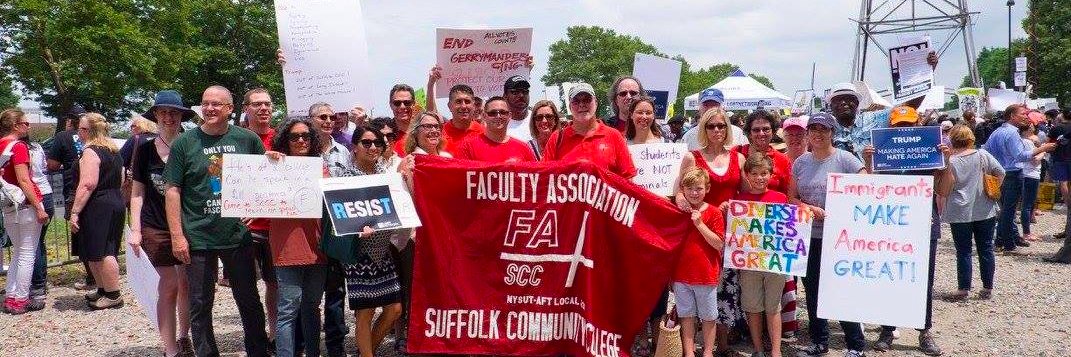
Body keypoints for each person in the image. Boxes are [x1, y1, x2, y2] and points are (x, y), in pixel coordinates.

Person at [163, 85, 270, 357]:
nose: (209, 109)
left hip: (236, 235)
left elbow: (264, 179)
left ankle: (258, 351)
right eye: (205, 103)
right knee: (200, 303)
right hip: (198, 235)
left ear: (230, 109)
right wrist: (177, 236)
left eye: (217, 104)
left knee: (248, 299)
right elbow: (172, 190)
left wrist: (256, 206)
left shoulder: (247, 139)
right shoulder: (184, 143)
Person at [862, 106, 952, 356]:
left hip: (923, 224)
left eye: (908, 125)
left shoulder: (930, 153)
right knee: (889, 277)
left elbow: (944, 191)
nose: (903, 130)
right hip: (890, 226)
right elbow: (867, 190)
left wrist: (946, 163)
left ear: (917, 126)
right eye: (898, 125)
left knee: (924, 280)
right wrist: (868, 162)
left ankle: (924, 331)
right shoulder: (881, 154)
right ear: (891, 127)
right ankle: (887, 329)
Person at [787, 112, 867, 357]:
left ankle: (855, 344)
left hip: (839, 238)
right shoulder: (800, 163)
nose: (818, 134)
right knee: (812, 290)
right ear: (808, 133)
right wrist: (808, 208)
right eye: (813, 129)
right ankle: (819, 341)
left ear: (833, 132)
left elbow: (867, 188)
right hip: (809, 236)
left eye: (824, 129)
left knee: (840, 288)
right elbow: (791, 197)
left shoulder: (846, 160)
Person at [672, 108, 745, 357]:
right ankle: (696, 349)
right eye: (711, 126)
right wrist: (684, 203)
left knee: (724, 293)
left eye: (721, 126)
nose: (717, 130)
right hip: (698, 227)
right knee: (699, 295)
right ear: (703, 128)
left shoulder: (738, 158)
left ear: (728, 129)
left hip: (729, 232)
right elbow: (679, 189)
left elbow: (747, 195)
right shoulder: (692, 157)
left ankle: (719, 347)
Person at [128, 90, 196, 357]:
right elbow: (137, 192)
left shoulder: (191, 145)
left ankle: (183, 336)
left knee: (187, 284)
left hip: (188, 225)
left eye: (174, 112)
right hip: (155, 226)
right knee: (168, 284)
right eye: (163, 112)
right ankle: (170, 348)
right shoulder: (144, 149)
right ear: (155, 115)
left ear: (181, 116)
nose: (169, 117)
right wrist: (135, 229)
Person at [336, 126, 411, 357]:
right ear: (354, 147)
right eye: (366, 143)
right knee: (365, 312)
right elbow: (339, 217)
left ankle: (365, 352)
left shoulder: (384, 175)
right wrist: (356, 230)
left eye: (377, 143)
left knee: (395, 309)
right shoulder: (346, 178)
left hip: (383, 251)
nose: (373, 147)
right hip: (359, 255)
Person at [261, 119, 328, 357]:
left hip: (318, 246)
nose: (301, 140)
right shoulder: (273, 165)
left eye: (306, 136)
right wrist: (268, 162)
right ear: (284, 140)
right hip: (287, 246)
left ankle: (313, 353)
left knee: (311, 307)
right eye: (294, 136)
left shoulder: (321, 167)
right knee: (288, 309)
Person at [305, 101, 353, 356]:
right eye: (321, 117)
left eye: (331, 117)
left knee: (335, 293)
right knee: (308, 294)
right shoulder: (301, 151)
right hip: (308, 228)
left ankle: (336, 347)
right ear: (310, 119)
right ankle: (306, 345)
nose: (327, 121)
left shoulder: (344, 152)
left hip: (336, 228)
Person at [733, 152, 789, 357]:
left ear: (771, 175)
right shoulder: (739, 201)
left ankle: (775, 351)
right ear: (747, 175)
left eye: (764, 173)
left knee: (773, 306)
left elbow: (790, 230)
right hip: (749, 263)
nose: (759, 178)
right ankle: (758, 349)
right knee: (753, 306)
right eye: (754, 173)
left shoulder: (781, 199)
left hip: (774, 262)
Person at [69, 113, 125, 310]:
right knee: (96, 248)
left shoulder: (91, 151)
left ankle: (113, 294)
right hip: (113, 199)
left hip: (98, 203)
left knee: (103, 250)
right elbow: (122, 178)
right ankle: (102, 289)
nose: (78, 132)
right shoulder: (113, 150)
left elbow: (87, 184)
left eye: (81, 129)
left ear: (89, 131)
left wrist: (75, 212)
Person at [982, 104, 1055, 253]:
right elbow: (1021, 155)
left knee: (1005, 209)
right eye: (1022, 114)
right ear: (1012, 116)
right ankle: (1008, 244)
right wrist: (1043, 148)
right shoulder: (1012, 133)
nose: (1025, 116)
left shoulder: (996, 132)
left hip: (999, 174)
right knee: (1009, 211)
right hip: (1012, 174)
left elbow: (985, 151)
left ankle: (1002, 240)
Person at [943, 124, 1003, 301]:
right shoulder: (983, 155)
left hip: (959, 209)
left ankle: (963, 288)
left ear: (952, 139)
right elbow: (1001, 172)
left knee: (963, 250)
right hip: (984, 207)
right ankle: (987, 287)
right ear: (971, 138)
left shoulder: (951, 161)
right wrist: (992, 189)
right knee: (985, 248)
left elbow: (946, 186)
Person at [239, 88, 280, 343]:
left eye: (267, 104)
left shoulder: (283, 138)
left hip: (277, 223)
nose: (263, 108)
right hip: (246, 225)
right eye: (257, 105)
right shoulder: (235, 138)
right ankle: (254, 334)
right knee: (246, 286)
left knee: (276, 284)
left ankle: (276, 333)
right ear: (246, 108)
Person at [672, 167, 725, 357]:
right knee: (686, 316)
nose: (694, 193)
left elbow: (718, 243)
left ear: (707, 189)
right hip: (681, 275)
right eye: (690, 188)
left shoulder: (714, 212)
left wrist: (700, 224)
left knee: (709, 317)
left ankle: (708, 351)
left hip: (706, 275)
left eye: (699, 188)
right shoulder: (677, 212)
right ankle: (689, 351)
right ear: (683, 189)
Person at [0, 108, 49, 315]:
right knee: (27, 253)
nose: (28, 126)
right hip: (25, 204)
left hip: (8, 205)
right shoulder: (18, 147)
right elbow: (23, 179)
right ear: (15, 125)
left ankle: (11, 297)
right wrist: (38, 205)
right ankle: (20, 298)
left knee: (18, 253)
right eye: (25, 123)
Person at [46, 104, 96, 291]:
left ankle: (92, 278)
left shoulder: (62, 137)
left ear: (70, 120)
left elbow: (52, 164)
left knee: (81, 235)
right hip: (97, 189)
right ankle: (102, 277)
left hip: (74, 188)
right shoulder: (98, 137)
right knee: (97, 232)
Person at [542, 82, 636, 178]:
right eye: (576, 101)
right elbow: (544, 176)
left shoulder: (614, 136)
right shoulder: (557, 138)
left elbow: (628, 177)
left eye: (587, 100)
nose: (582, 105)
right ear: (570, 106)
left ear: (596, 102)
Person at [777, 114, 808, 338]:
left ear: (806, 136)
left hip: (810, 224)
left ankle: (816, 325)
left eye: (799, 133)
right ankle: (787, 323)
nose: (795, 137)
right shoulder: (778, 159)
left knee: (809, 277)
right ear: (784, 136)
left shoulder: (812, 159)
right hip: (785, 225)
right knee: (787, 277)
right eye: (791, 134)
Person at [455, 96, 536, 163]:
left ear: (509, 116)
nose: (498, 116)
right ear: (484, 116)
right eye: (492, 113)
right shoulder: (467, 147)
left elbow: (536, 179)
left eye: (503, 112)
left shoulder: (523, 148)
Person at [25, 128, 54, 312]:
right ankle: (41, 282)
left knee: (32, 244)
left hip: (34, 196)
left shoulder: (18, 149)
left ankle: (36, 286)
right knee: (39, 242)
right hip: (46, 193)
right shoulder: (37, 147)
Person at [734, 110, 792, 194]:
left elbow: (786, 193)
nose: (761, 133)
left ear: (773, 132)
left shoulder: (782, 160)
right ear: (749, 133)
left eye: (766, 129)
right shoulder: (736, 153)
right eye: (756, 130)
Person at [683, 88, 748, 150]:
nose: (710, 109)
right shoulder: (689, 136)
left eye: (715, 105)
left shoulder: (737, 133)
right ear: (699, 108)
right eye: (706, 105)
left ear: (723, 108)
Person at [441, 84, 485, 154]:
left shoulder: (485, 134)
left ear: (473, 106)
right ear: (449, 106)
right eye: (458, 102)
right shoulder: (439, 135)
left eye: (467, 101)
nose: (463, 106)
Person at [1019, 123, 1043, 242]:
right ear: (1028, 129)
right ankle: (1026, 233)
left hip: (1023, 173)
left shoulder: (1019, 141)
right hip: (1031, 174)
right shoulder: (1028, 142)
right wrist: (1043, 151)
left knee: (1026, 204)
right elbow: (1035, 161)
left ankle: (1026, 231)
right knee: (1027, 205)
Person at [388, 84, 418, 156]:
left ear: (413, 104)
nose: (402, 106)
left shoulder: (422, 132)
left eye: (407, 103)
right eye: (397, 103)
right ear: (391, 105)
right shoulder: (384, 134)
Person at [504, 75, 534, 141]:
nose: (521, 95)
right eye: (515, 92)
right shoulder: (499, 123)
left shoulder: (538, 119)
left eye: (525, 92)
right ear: (505, 96)